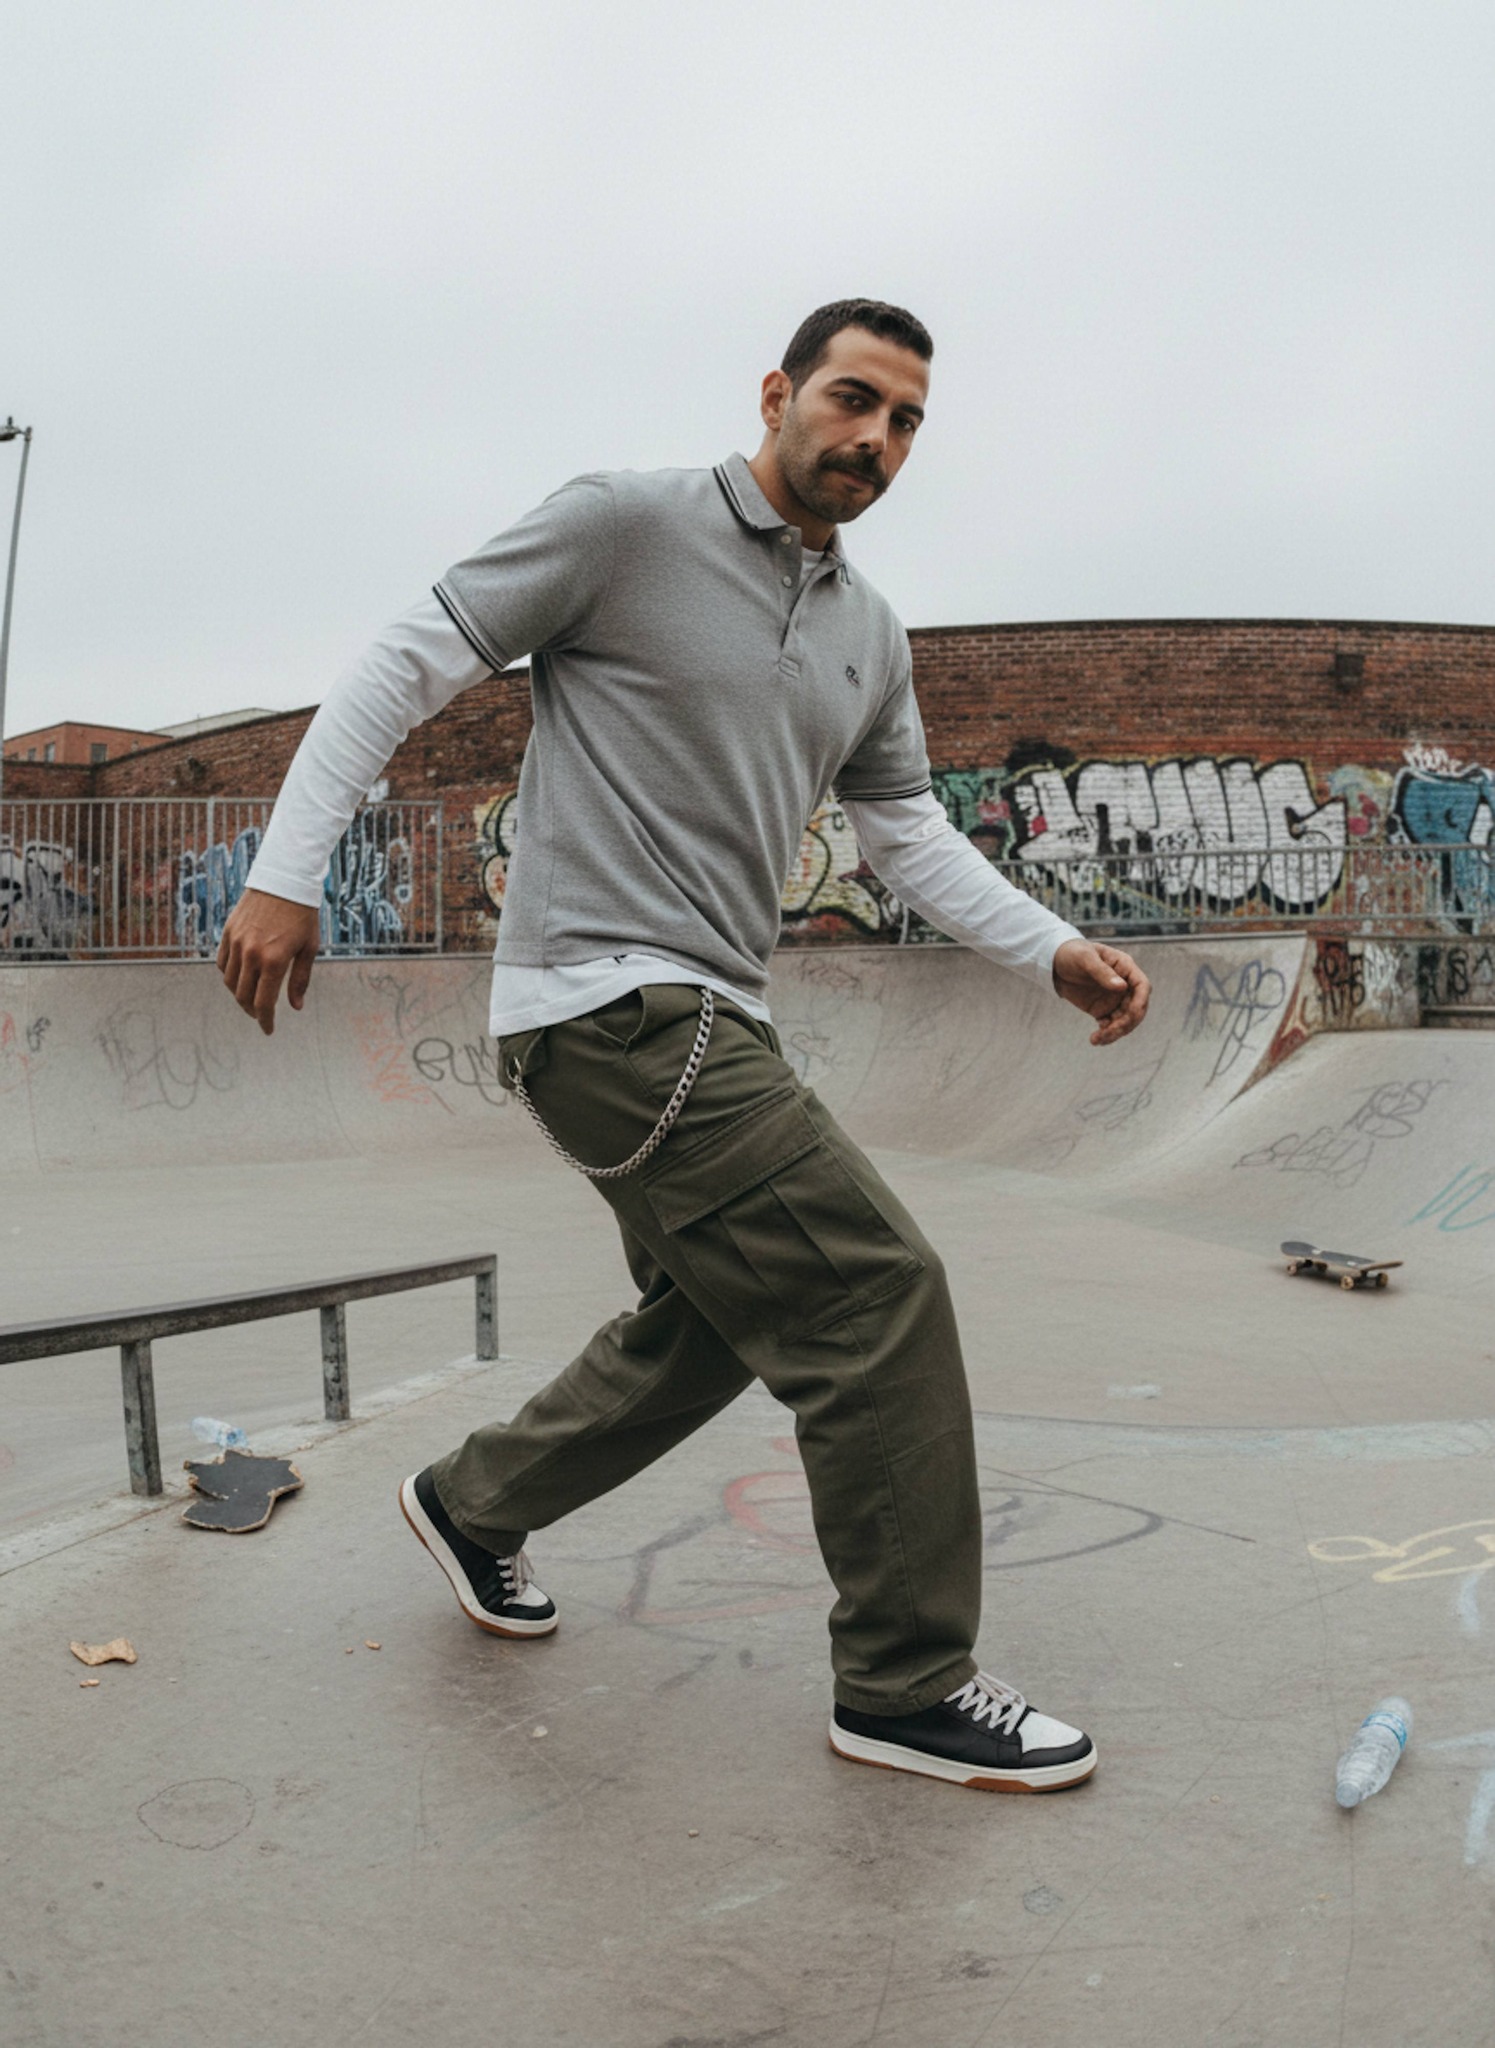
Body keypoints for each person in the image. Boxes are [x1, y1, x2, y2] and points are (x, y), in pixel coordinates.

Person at [217, 298, 1151, 1794]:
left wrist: (1052, 948)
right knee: (874, 1292)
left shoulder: (870, 632)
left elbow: (904, 836)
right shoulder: (626, 525)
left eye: (907, 423)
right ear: (779, 391)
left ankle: (475, 1502)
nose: (876, 440)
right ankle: (905, 1682)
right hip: (608, 1006)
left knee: (720, 1319)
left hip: (709, 1010)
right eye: (853, 400)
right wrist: (284, 870)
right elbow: (407, 659)